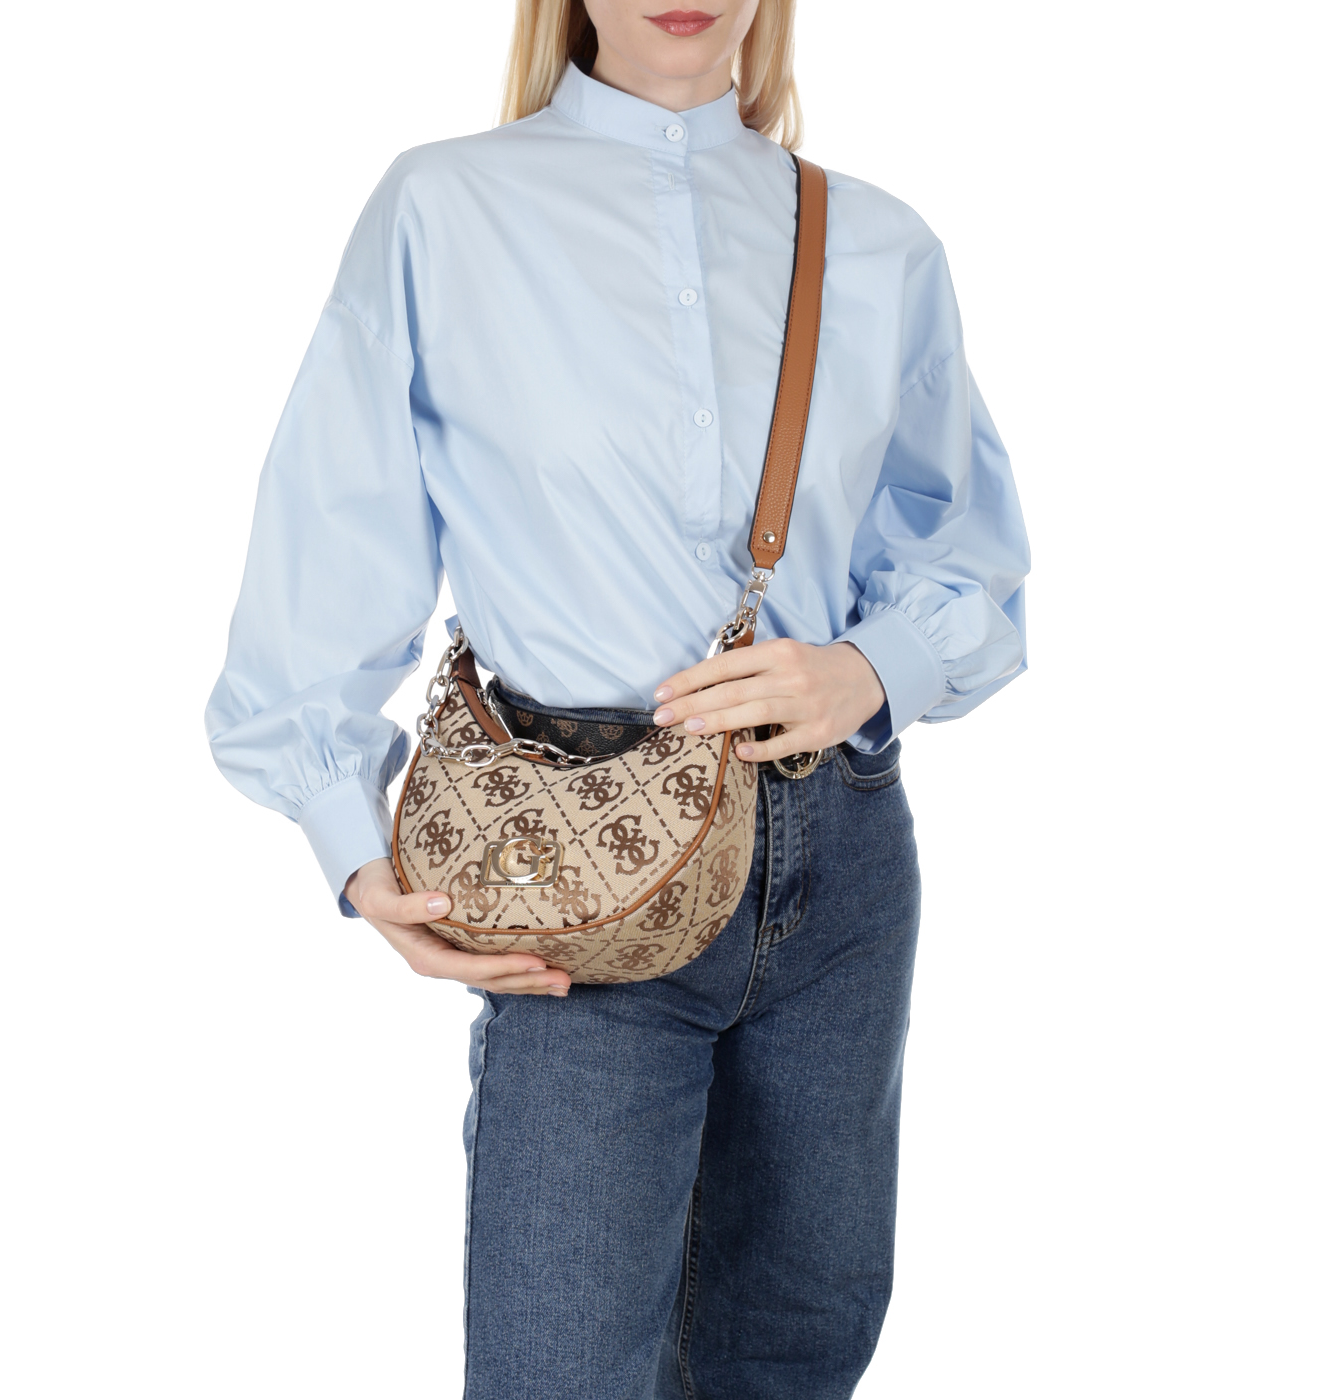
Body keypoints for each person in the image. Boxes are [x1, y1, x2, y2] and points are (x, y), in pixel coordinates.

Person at [205, 1, 1030, 1394]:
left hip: (839, 864)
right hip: (574, 870)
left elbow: (968, 554)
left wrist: (868, 668)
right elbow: (332, 532)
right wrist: (347, 841)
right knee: (559, 1366)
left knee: (797, 1351)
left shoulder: (878, 242)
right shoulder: (444, 209)